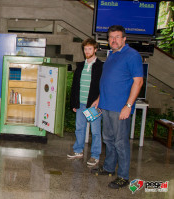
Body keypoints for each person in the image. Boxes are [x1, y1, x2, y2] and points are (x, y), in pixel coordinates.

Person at [91, 25, 143, 189]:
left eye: (117, 37)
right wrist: (99, 98)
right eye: (111, 37)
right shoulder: (111, 55)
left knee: (121, 142)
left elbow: (138, 81)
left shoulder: (132, 55)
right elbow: (107, 80)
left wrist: (128, 105)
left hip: (120, 108)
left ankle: (123, 176)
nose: (114, 40)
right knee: (108, 140)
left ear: (124, 39)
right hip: (106, 105)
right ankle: (108, 168)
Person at [67, 38, 103, 166]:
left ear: (95, 49)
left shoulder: (100, 66)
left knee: (96, 131)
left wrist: (99, 100)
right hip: (81, 104)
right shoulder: (81, 65)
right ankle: (78, 151)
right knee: (79, 128)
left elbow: (104, 86)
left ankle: (95, 156)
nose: (87, 51)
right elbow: (75, 86)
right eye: (85, 49)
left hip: (93, 105)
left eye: (89, 49)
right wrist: (74, 103)